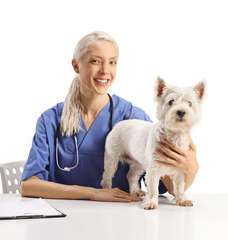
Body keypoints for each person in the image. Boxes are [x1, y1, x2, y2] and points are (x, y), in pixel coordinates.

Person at [20, 31, 199, 202]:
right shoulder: (50, 120)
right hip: (61, 221)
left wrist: (189, 168)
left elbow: (165, 186)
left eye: (112, 62)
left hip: (118, 221)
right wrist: (93, 193)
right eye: (96, 61)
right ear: (76, 65)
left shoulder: (134, 118)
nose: (105, 70)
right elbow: (29, 186)